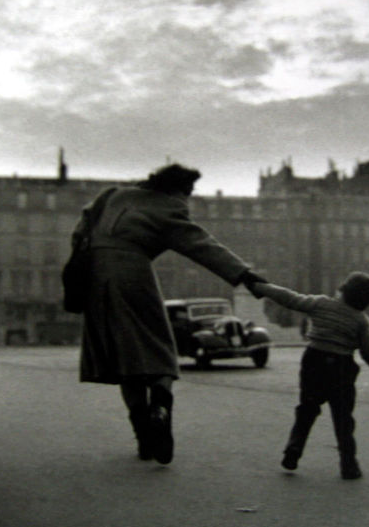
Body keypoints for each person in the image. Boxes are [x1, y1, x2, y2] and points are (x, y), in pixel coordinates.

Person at [75, 163, 265, 464]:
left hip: (95, 277)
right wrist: (245, 274)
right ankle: (161, 405)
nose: (187, 199)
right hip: (132, 272)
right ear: (178, 189)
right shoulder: (169, 208)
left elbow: (81, 228)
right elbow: (201, 245)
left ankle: (144, 439)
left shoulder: (112, 194)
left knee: (125, 360)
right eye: (188, 192)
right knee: (160, 348)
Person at [250, 271, 369, 479]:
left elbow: (290, 298)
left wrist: (260, 287)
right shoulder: (361, 321)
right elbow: (367, 349)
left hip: (314, 361)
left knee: (307, 409)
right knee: (343, 418)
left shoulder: (321, 304)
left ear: (343, 290)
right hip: (342, 367)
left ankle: (294, 449)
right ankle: (349, 465)